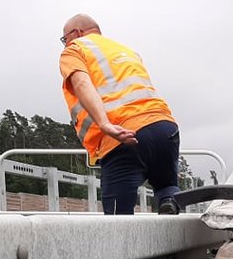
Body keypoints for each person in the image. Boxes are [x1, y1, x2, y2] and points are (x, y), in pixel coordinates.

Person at [59, 14, 181, 214]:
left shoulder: (75, 49)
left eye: (65, 39)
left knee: (117, 216)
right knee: (166, 185)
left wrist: (104, 124)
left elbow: (81, 83)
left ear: (77, 33)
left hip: (123, 134)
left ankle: (122, 228)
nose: (65, 44)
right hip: (165, 127)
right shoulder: (127, 51)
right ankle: (169, 201)